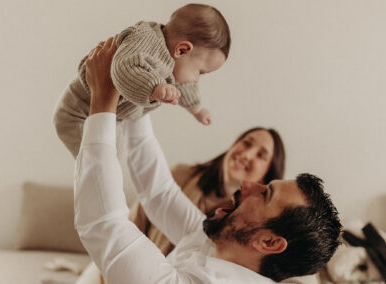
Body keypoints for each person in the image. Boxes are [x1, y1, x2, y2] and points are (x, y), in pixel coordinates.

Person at [74, 38, 342, 283]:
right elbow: (157, 192)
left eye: (265, 194)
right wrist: (136, 90)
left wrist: (103, 100)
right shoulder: (216, 241)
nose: (250, 185)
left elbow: (104, 224)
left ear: (269, 242)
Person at [54, 3, 231, 157]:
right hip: (76, 113)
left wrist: (197, 109)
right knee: (96, 160)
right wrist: (154, 87)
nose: (196, 79)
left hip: (107, 117)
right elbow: (125, 68)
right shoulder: (145, 41)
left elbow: (184, 85)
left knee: (115, 154)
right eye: (200, 71)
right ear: (182, 50)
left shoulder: (171, 61)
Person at [129, 124, 285, 256]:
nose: (247, 154)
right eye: (246, 143)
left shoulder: (243, 226)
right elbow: (132, 226)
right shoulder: (181, 175)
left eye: (260, 155)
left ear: (266, 177)